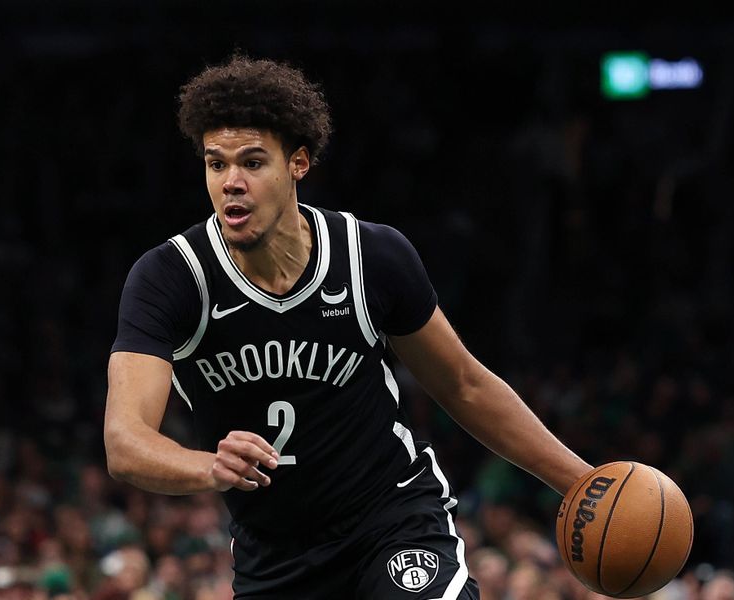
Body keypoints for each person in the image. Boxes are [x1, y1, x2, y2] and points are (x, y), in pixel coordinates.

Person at [104, 54, 593, 599]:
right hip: (276, 557)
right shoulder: (171, 278)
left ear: (299, 164)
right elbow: (125, 442)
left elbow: (463, 384)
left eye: (253, 162)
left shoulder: (371, 256)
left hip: (390, 520)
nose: (232, 182)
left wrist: (581, 484)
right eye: (216, 164)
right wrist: (206, 466)